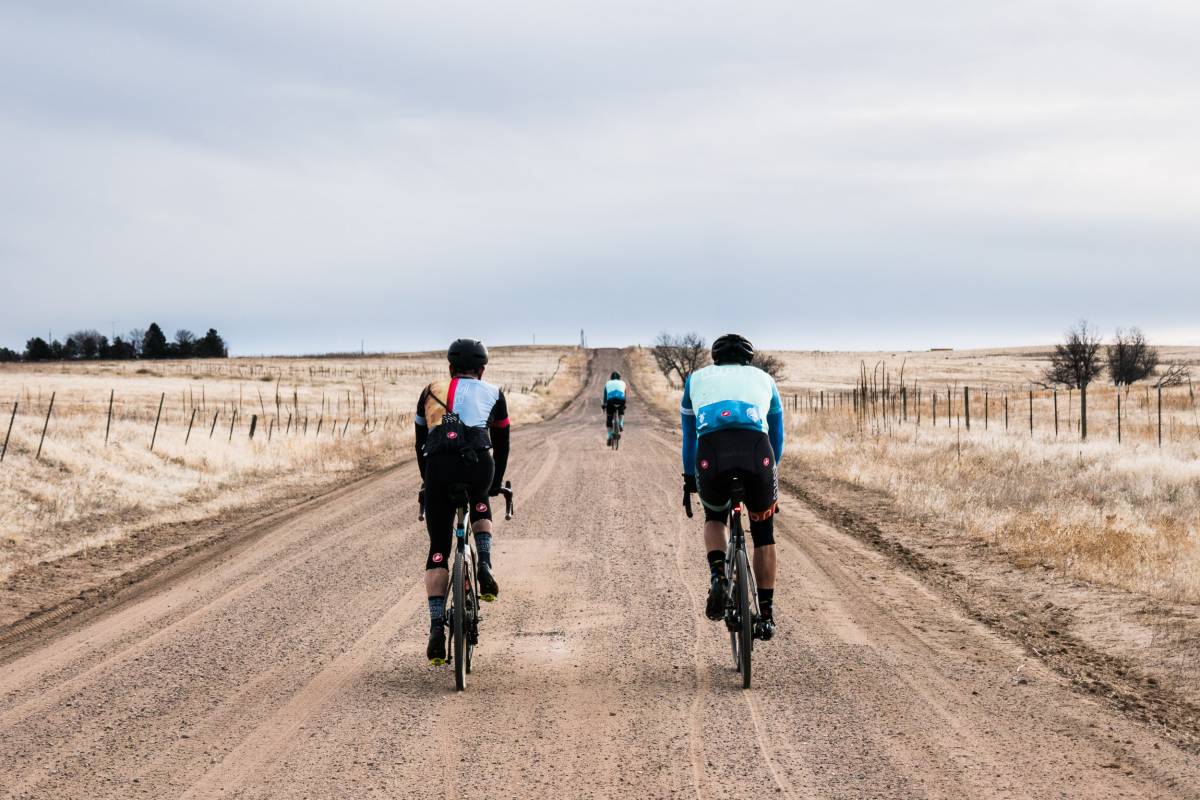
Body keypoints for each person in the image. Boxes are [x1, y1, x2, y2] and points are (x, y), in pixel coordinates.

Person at [680, 334, 784, 640]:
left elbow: (690, 437)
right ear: (748, 360)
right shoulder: (765, 379)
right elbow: (776, 436)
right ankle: (765, 614)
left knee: (714, 517)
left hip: (712, 453)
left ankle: (718, 576)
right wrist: (770, 474)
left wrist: (689, 478)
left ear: (715, 359)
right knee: (763, 533)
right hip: (756, 453)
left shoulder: (695, 380)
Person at [415, 339, 511, 665]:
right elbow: (502, 442)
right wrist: (494, 485)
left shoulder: (431, 391)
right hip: (478, 464)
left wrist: (428, 483)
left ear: (450, 367)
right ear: (482, 369)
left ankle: (435, 629)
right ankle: (484, 562)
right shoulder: (493, 392)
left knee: (438, 548)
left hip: (438, 468)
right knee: (480, 497)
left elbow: (422, 443)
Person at [602, 371, 627, 443]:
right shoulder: (623, 383)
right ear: (619, 378)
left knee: (609, 418)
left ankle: (610, 436)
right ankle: (620, 424)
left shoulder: (607, 383)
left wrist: (604, 405)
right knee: (621, 412)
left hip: (611, 401)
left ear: (611, 378)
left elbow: (605, 396)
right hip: (621, 401)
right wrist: (624, 405)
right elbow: (625, 395)